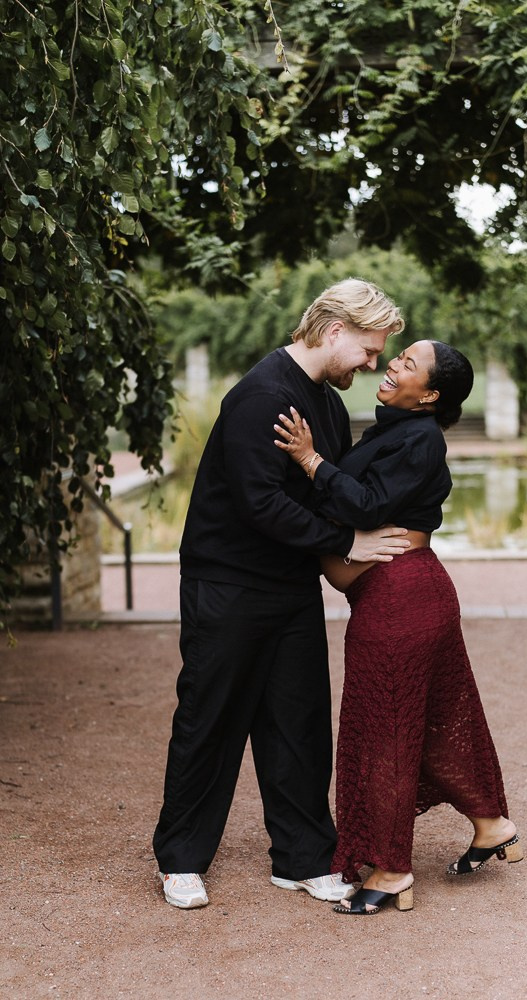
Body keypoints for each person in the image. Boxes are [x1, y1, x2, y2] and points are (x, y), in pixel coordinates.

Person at [153, 279, 412, 909]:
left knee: (297, 723)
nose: (373, 364)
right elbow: (260, 503)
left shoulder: (323, 401)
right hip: (228, 583)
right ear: (333, 332)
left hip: (289, 585)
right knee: (210, 718)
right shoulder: (261, 394)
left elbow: (329, 483)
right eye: (369, 350)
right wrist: (347, 540)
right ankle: (181, 859)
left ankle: (300, 858)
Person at [274, 339, 523, 915]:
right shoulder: (396, 432)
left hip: (401, 603)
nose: (393, 365)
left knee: (380, 731)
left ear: (430, 395)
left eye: (409, 364)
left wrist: (311, 461)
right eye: (398, 357)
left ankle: (390, 871)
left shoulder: (419, 437)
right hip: (409, 595)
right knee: (436, 718)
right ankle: (491, 826)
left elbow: (365, 505)